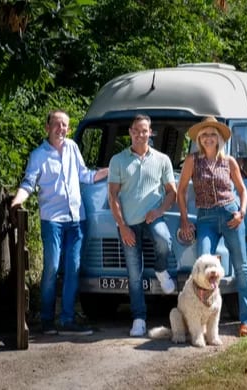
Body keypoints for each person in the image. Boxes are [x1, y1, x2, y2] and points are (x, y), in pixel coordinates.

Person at [11, 109, 108, 336]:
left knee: (73, 269)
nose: (61, 129)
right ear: (47, 128)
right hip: (52, 221)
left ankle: (67, 319)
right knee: (52, 268)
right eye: (57, 124)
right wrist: (16, 202)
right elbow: (28, 184)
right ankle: (46, 319)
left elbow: (85, 175)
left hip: (77, 219)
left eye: (65, 125)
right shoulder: (38, 155)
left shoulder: (73, 148)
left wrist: (112, 170)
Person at [177, 116, 247, 337]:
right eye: (205, 135)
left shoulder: (229, 161)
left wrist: (242, 212)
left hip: (230, 213)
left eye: (213, 134)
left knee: (241, 267)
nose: (209, 138)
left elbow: (243, 190)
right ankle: (203, 322)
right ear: (199, 139)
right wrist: (184, 219)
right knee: (202, 264)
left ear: (219, 138)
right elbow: (181, 191)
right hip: (206, 217)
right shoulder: (192, 160)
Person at [108, 114, 177, 337]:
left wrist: (158, 211)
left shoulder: (162, 159)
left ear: (150, 133)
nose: (140, 134)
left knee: (164, 239)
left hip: (153, 217)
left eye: (144, 130)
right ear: (130, 132)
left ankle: (161, 269)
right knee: (134, 274)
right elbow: (113, 196)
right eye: (136, 130)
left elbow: (171, 193)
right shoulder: (118, 160)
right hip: (128, 223)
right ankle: (139, 319)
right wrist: (122, 226)